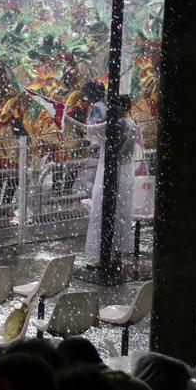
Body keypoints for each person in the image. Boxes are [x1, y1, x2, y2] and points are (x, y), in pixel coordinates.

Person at [68, 92, 140, 269]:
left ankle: (103, 257)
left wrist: (66, 117)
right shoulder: (133, 125)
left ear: (119, 107)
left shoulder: (114, 125)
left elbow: (87, 129)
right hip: (125, 177)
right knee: (121, 215)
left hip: (108, 175)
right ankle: (117, 256)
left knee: (102, 213)